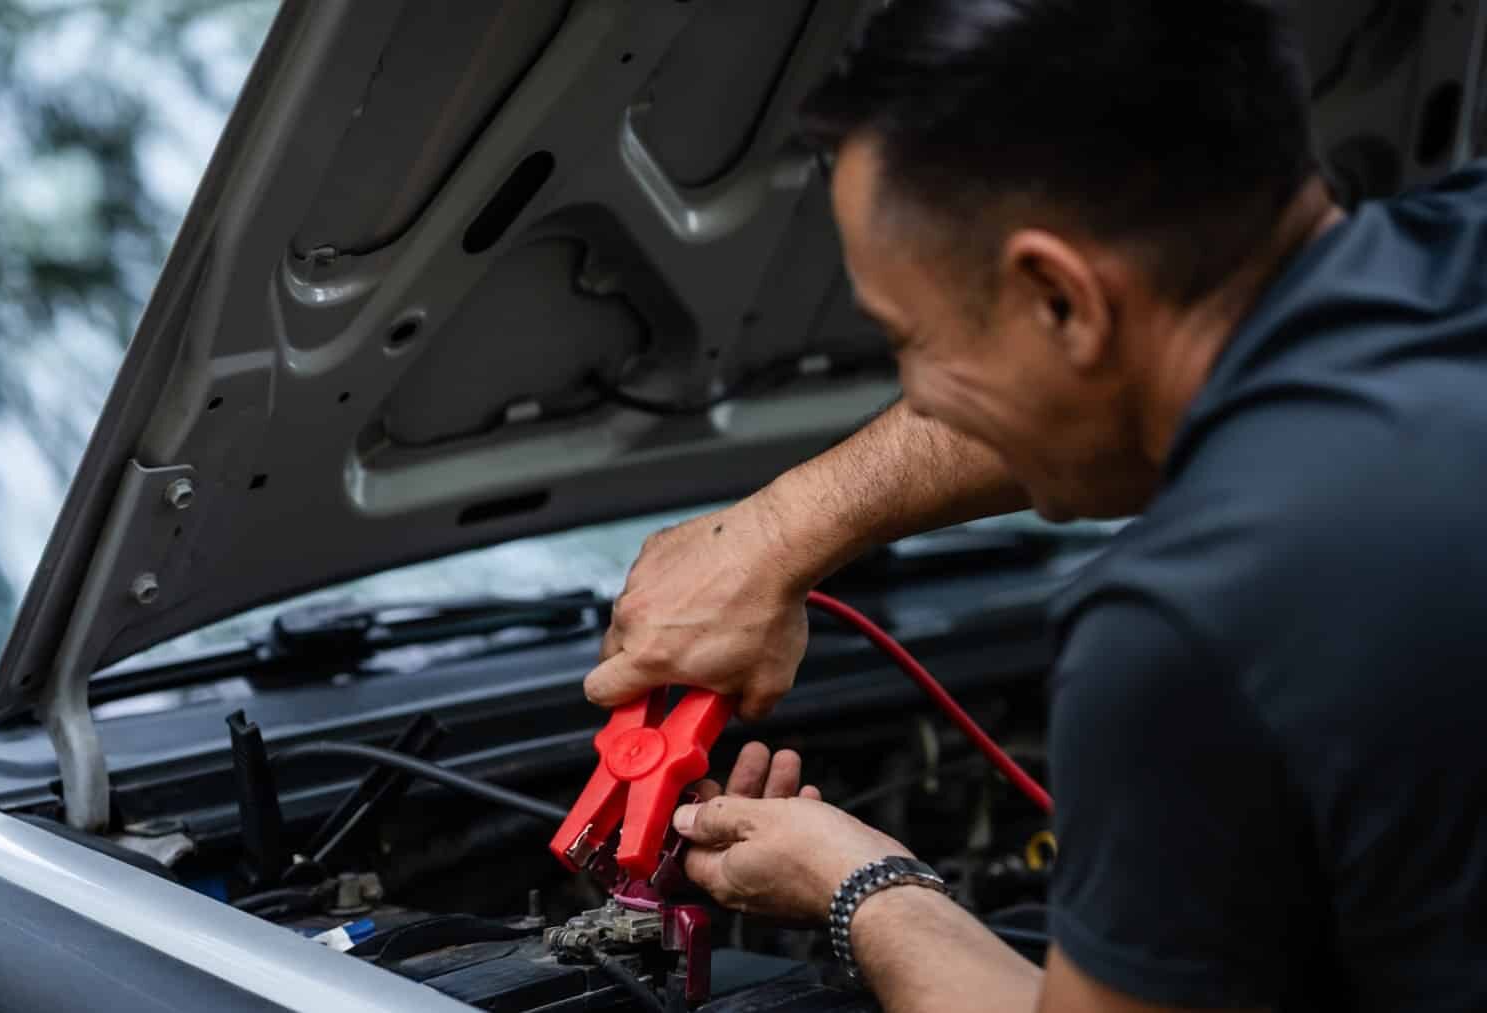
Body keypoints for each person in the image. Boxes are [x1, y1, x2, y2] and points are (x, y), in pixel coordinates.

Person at [582, 2, 1487, 1010]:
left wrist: (861, 882)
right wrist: (781, 532)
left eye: (914, 340)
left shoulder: (1201, 618)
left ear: (1059, 299)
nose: (917, 394)